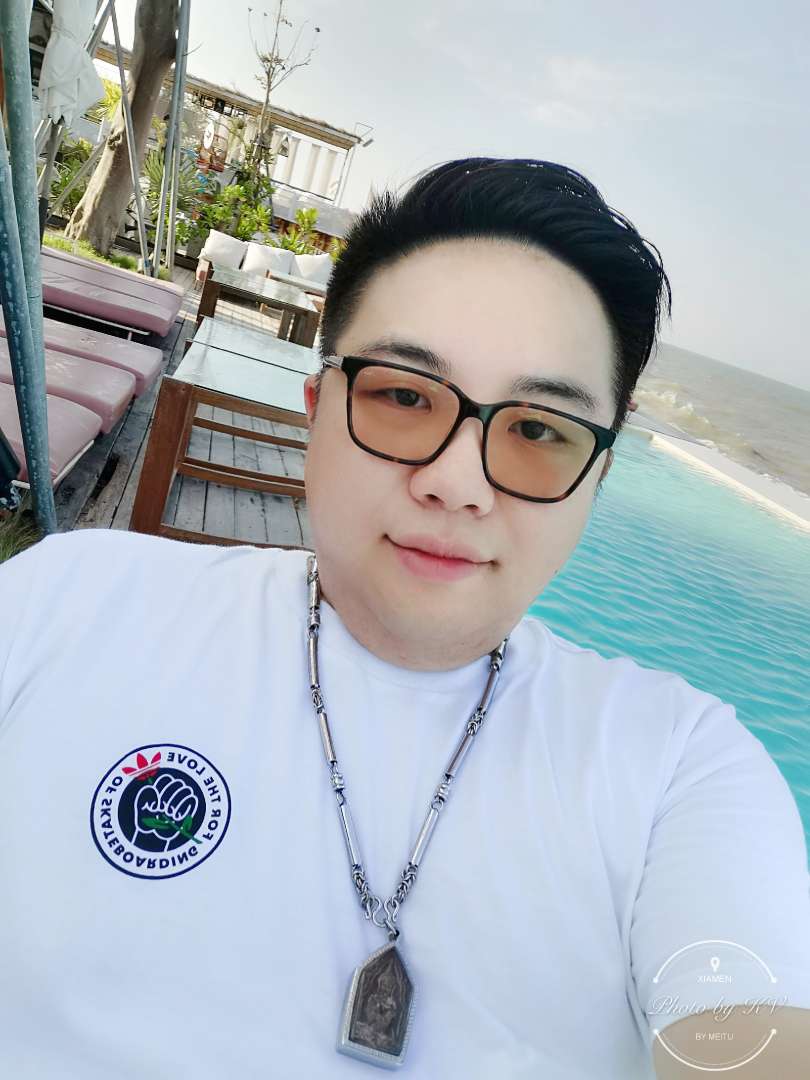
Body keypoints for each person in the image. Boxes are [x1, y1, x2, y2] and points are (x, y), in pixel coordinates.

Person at [0, 158, 808, 1079]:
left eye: (538, 430)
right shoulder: (72, 601)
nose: (457, 483)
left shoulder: (679, 771)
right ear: (316, 411)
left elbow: (753, 1034)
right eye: (405, 396)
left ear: (597, 477)